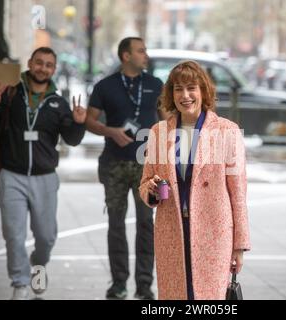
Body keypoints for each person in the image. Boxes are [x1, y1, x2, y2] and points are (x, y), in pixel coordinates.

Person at [0, 47, 87, 299]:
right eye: (39, 63)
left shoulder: (58, 103)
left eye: (48, 65)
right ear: (30, 63)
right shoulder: (11, 94)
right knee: (14, 234)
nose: (43, 68)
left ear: (53, 70)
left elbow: (72, 139)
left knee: (46, 237)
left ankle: (38, 266)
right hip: (11, 176)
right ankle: (20, 283)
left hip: (45, 179)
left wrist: (79, 123)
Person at [139, 60, 251, 300]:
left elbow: (238, 194)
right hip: (172, 232)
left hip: (215, 235)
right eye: (178, 89)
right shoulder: (159, 132)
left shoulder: (227, 131)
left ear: (203, 91)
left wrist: (239, 245)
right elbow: (145, 183)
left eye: (191, 88)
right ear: (171, 94)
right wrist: (151, 190)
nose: (185, 95)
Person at [85, 37, 164, 300]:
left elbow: (167, 122)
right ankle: (118, 284)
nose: (146, 55)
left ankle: (144, 285)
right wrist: (110, 131)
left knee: (146, 224)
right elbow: (89, 120)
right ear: (125, 56)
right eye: (141, 51)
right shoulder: (105, 86)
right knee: (116, 225)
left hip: (147, 167)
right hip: (114, 164)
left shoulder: (155, 84)